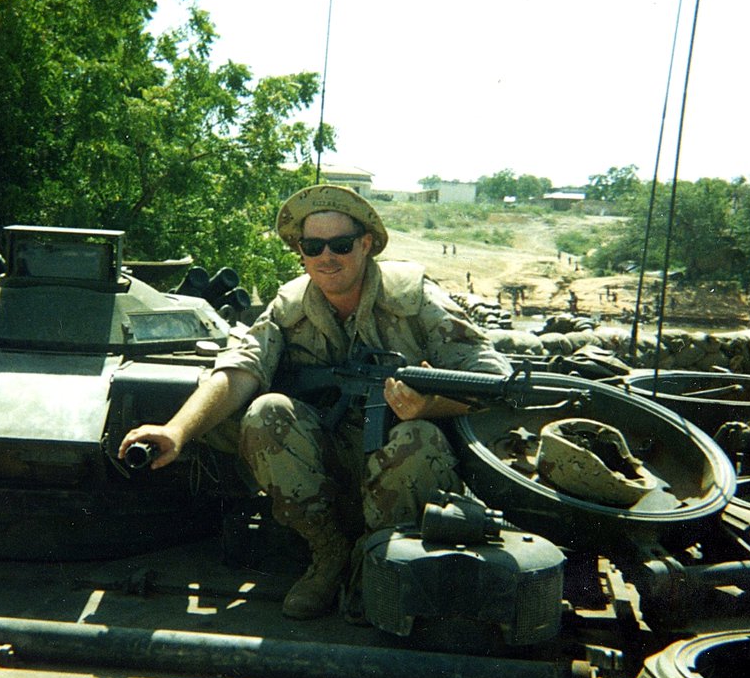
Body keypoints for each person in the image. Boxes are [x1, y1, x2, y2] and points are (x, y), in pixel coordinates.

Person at [119, 185, 511, 620]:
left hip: (407, 472)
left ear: (365, 245)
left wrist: (431, 403)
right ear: (301, 252)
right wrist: (175, 431)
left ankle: (378, 561)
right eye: (313, 246)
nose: (328, 257)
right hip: (328, 465)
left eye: (341, 245)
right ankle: (328, 555)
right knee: (267, 411)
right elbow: (240, 368)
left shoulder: (415, 300)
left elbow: (492, 380)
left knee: (417, 437)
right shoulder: (290, 306)